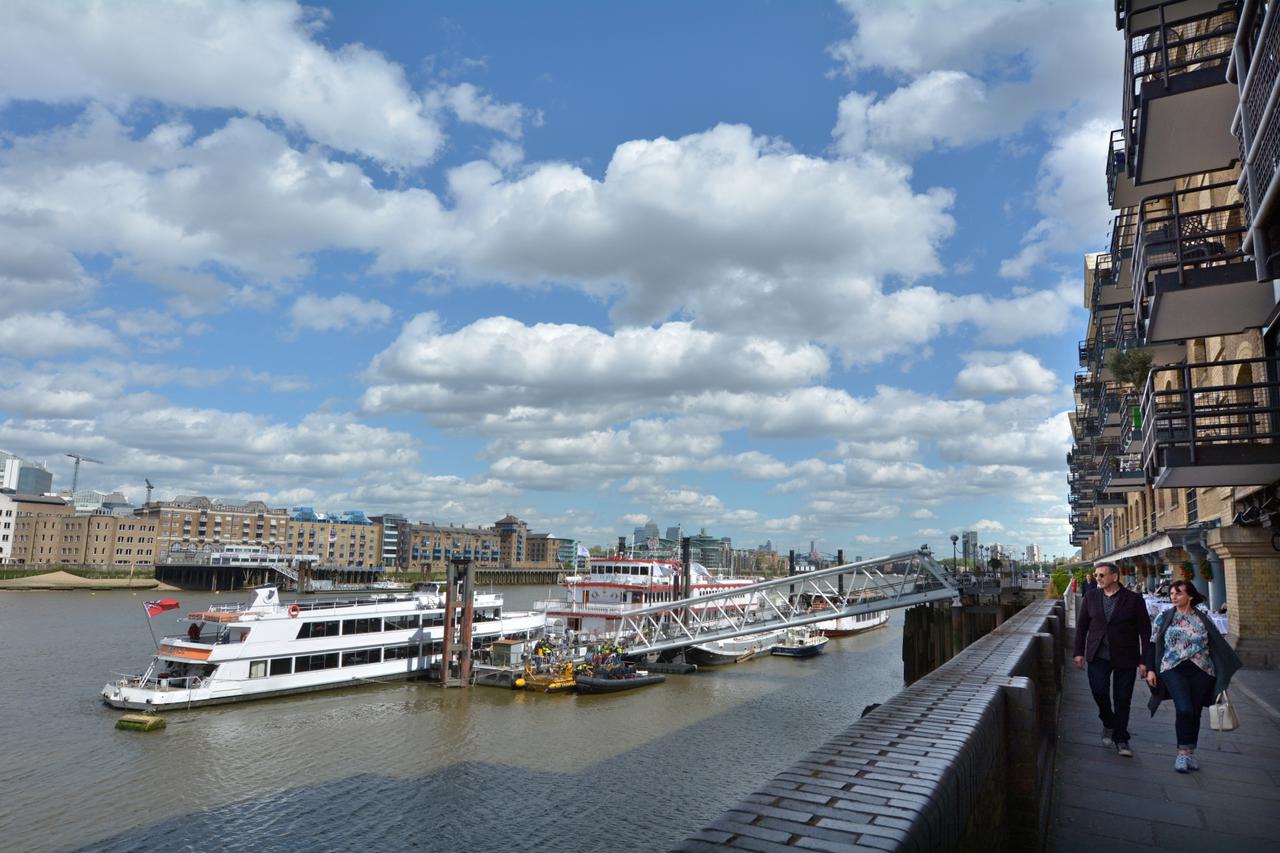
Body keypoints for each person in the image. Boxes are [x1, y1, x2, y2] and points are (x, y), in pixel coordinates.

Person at [1145, 579, 1242, 772]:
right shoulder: (1164, 617)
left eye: (1178, 593)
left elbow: (1216, 642)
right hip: (1172, 667)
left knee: (1195, 711)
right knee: (1184, 709)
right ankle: (1181, 754)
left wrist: (1223, 670)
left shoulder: (1203, 617)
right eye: (1172, 594)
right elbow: (1153, 643)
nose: (1173, 597)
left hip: (1202, 670)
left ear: (1189, 596)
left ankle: (1190, 753)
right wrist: (1150, 669)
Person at [1073, 562, 1152, 757]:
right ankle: (1108, 722)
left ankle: (1122, 738)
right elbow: (1082, 626)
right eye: (1096, 575)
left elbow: (1145, 632)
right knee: (1099, 691)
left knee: (1123, 698)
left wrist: (1145, 661)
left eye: (1102, 575)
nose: (1097, 578)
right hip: (1098, 653)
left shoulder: (1134, 600)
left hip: (1126, 655)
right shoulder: (1091, 597)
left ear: (1115, 577)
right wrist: (1078, 652)